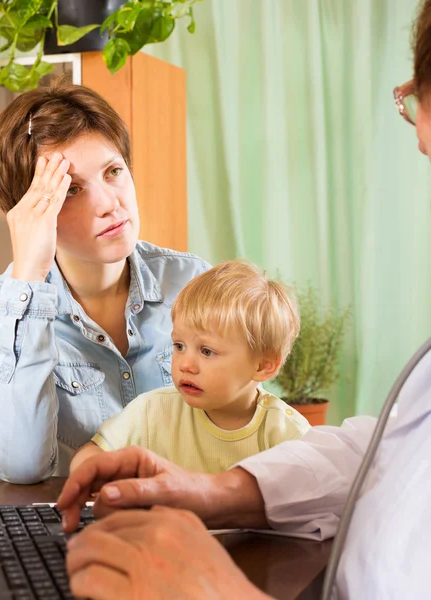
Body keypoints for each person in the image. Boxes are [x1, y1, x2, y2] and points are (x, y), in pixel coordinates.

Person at [57, 2, 431, 599]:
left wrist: (216, 591)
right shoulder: (153, 409)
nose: (417, 136)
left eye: (418, 101)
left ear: (266, 366)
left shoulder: (277, 422)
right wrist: (210, 492)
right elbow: (384, 452)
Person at [0, 81, 210, 484]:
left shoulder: (191, 281)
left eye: (114, 172)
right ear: (29, 211)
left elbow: (244, 427)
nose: (110, 204)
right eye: (73, 190)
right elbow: (20, 466)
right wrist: (28, 275)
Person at [70, 260, 310, 474]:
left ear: (263, 366)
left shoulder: (286, 433)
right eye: (179, 346)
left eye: (207, 351)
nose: (185, 364)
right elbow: (90, 457)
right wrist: (95, 474)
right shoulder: (152, 411)